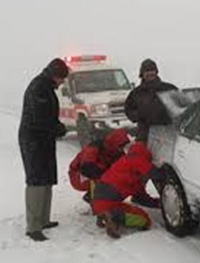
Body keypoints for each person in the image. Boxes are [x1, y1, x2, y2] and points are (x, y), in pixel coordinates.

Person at [18, 58, 69, 241]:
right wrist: (59, 128)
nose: (62, 82)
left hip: (44, 140)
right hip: (33, 140)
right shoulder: (38, 87)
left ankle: (43, 220)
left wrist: (57, 127)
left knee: (46, 178)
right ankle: (33, 227)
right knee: (36, 180)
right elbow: (40, 119)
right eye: (62, 78)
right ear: (55, 75)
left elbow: (48, 117)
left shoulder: (46, 86)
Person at [91, 142, 164, 239]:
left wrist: (159, 203)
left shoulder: (123, 163)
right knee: (144, 220)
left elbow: (142, 198)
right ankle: (112, 215)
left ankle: (103, 213)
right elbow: (155, 173)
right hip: (109, 198)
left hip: (97, 194)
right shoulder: (137, 159)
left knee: (109, 206)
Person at [68, 128, 131, 201]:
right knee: (109, 177)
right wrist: (107, 178)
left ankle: (100, 196)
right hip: (77, 175)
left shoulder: (117, 153)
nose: (121, 149)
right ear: (114, 143)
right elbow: (86, 168)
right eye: (120, 146)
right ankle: (96, 197)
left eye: (122, 146)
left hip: (93, 174)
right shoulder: (94, 147)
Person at [124, 59, 178, 142]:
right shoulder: (136, 93)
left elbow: (181, 106)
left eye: (152, 70)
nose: (150, 73)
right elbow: (128, 109)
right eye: (147, 71)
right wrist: (140, 116)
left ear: (156, 72)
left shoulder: (169, 89)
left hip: (166, 134)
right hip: (144, 134)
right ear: (142, 74)